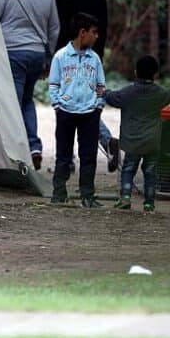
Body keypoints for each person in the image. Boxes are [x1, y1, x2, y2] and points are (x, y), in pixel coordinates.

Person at [0, 0, 59, 171]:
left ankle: (14, 153)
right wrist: (48, 57)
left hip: (13, 54)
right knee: (26, 101)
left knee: (11, 104)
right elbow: (54, 28)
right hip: (37, 54)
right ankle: (33, 147)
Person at [54, 0, 119, 172]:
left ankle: (68, 160)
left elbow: (62, 30)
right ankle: (106, 142)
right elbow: (103, 27)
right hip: (93, 55)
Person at [103, 55, 170, 212]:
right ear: (155, 74)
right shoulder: (159, 93)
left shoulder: (128, 93)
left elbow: (112, 98)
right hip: (152, 142)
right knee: (150, 172)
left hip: (132, 142)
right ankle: (149, 203)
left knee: (128, 169)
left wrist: (104, 92)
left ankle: (125, 198)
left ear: (136, 72)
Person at [48, 12, 105, 208]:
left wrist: (98, 106)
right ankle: (59, 192)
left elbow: (100, 85)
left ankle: (87, 195)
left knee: (88, 156)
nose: (96, 36)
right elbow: (53, 85)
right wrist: (58, 105)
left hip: (89, 114)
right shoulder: (60, 57)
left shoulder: (95, 59)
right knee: (63, 155)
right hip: (66, 112)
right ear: (82, 33)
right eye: (93, 32)